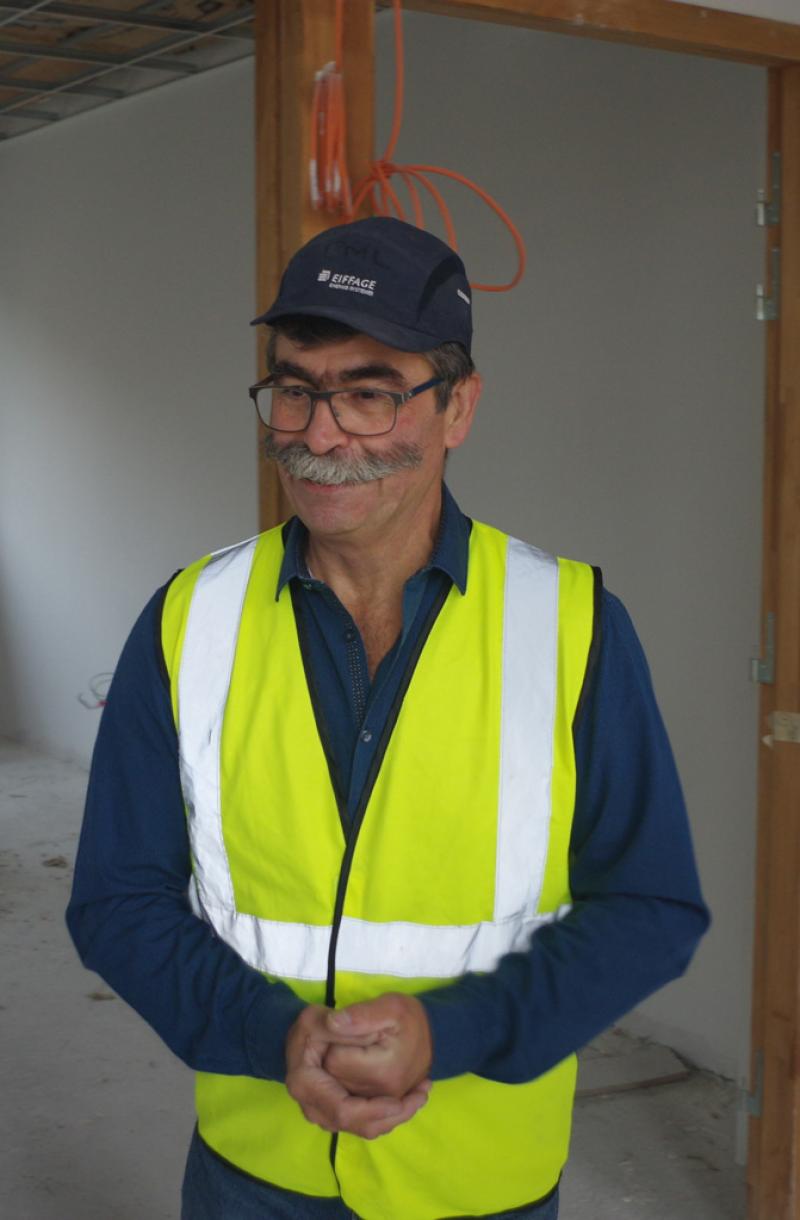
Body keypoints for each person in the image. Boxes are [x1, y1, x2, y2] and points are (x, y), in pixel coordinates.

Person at [67, 215, 709, 1220]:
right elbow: (117, 898)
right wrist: (273, 1033)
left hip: (477, 1183)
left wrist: (451, 1031)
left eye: (369, 393)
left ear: (458, 407)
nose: (320, 435)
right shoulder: (189, 618)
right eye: (294, 387)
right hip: (254, 1174)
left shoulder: (573, 625)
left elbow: (649, 906)